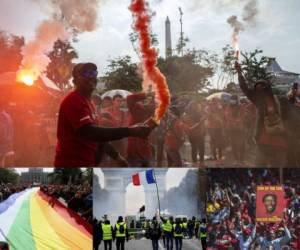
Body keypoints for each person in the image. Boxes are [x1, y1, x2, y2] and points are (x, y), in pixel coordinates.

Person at [54, 63, 152, 167]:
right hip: (71, 165)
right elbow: (90, 132)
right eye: (86, 73)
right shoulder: (73, 100)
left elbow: (99, 138)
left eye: (94, 73)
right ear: (75, 80)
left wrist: (117, 157)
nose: (92, 76)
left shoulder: (88, 102)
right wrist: (130, 131)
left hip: (87, 162)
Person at [235, 61, 288, 167]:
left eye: (262, 87)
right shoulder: (258, 101)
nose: (259, 90)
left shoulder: (279, 100)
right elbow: (245, 88)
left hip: (280, 143)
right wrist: (239, 73)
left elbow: (289, 117)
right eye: (257, 88)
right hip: (263, 142)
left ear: (267, 88)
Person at [0, 98, 13, 167]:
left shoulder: (4, 116)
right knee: (2, 160)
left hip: (3, 142)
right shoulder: (8, 116)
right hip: (5, 143)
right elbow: (11, 131)